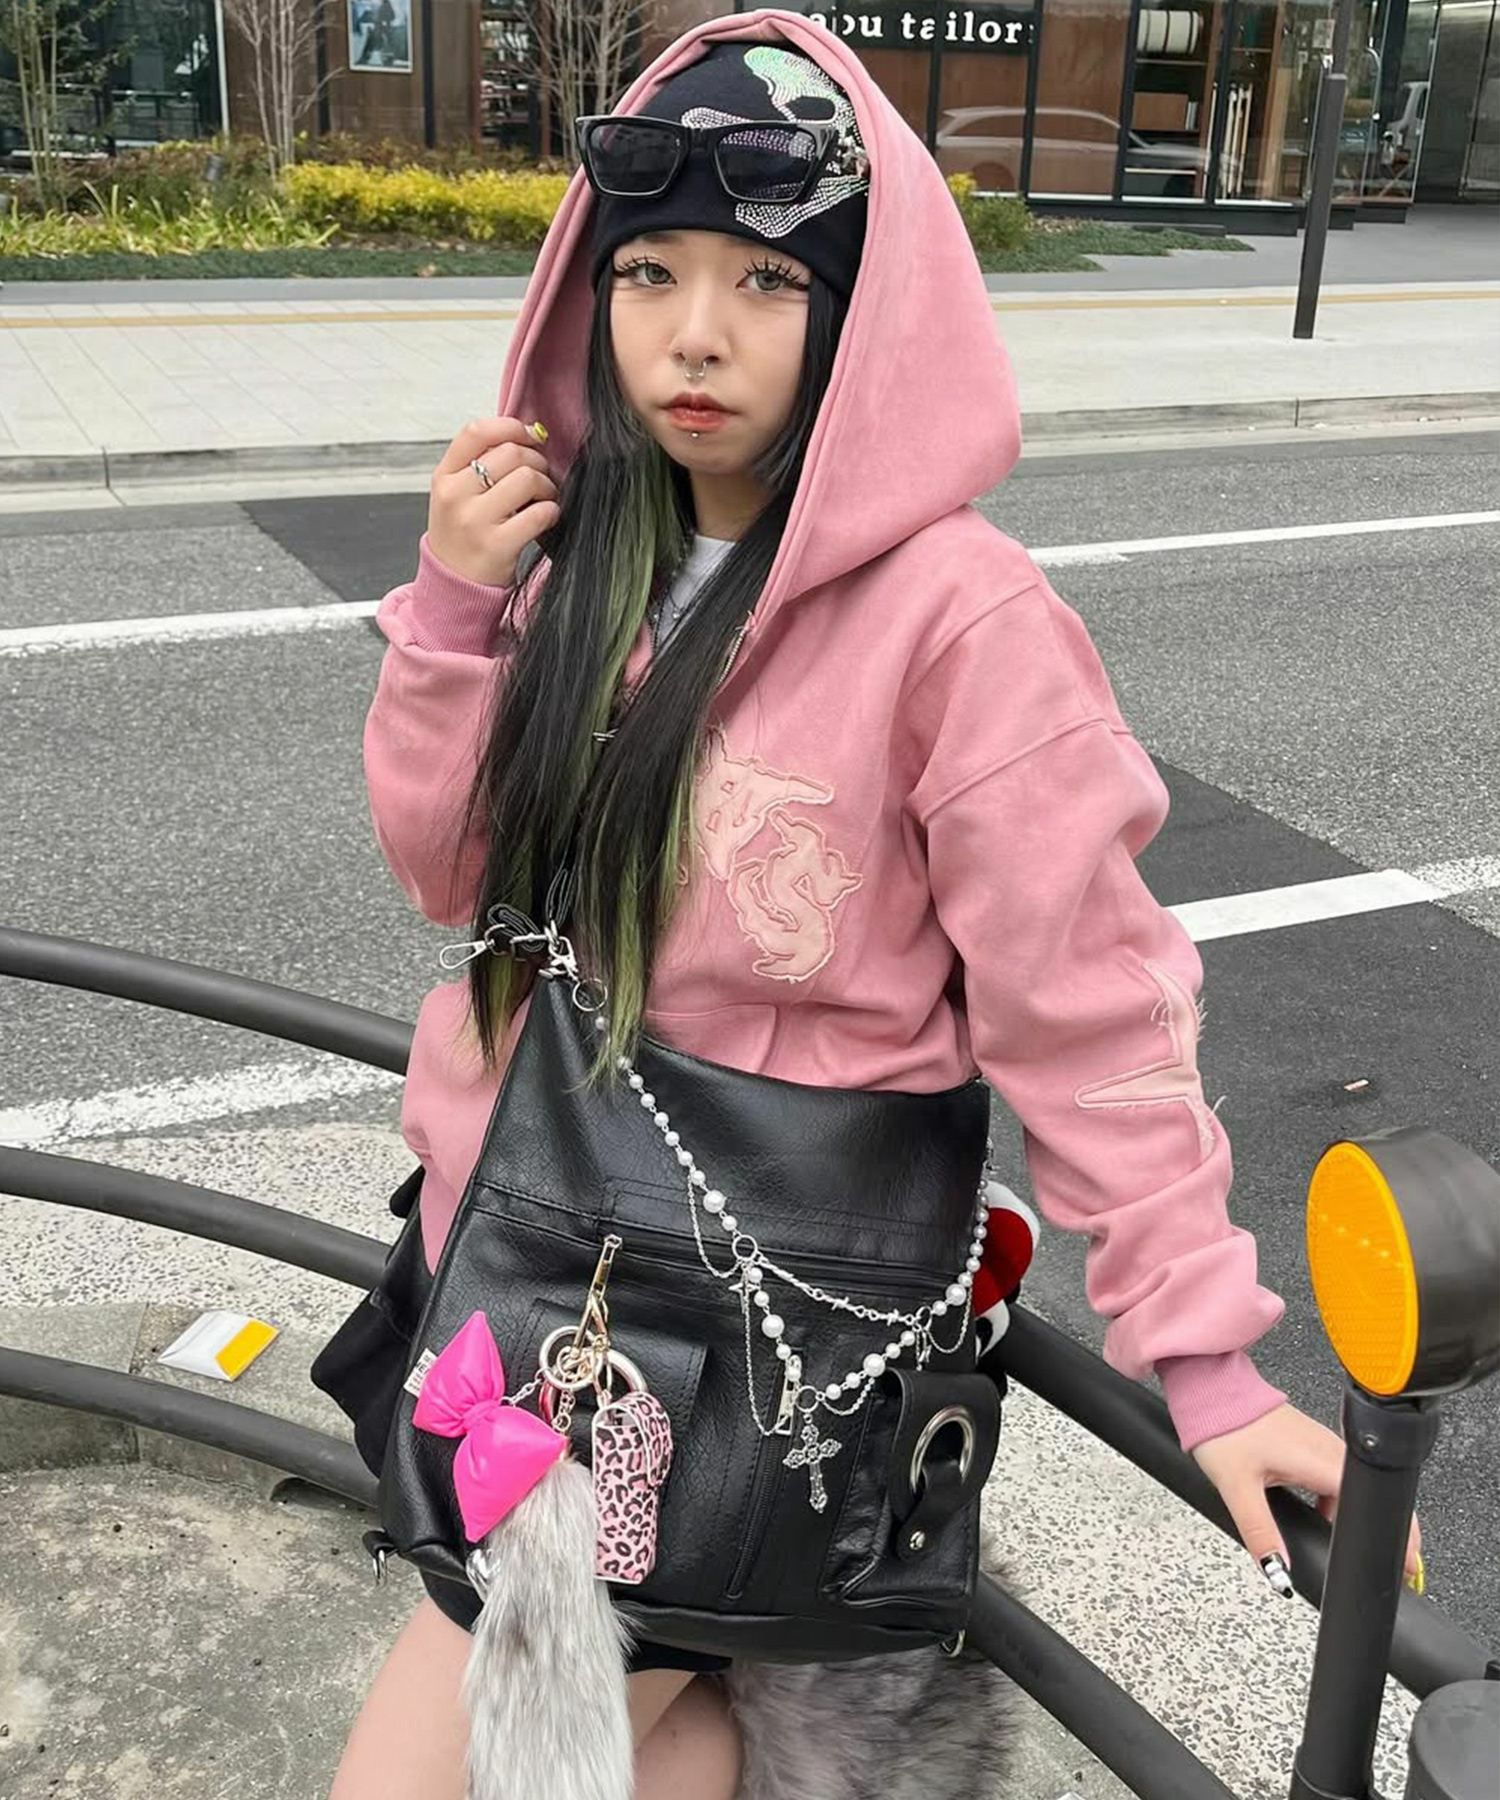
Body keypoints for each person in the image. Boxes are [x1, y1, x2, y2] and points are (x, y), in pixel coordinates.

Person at [328, 14, 1421, 1798]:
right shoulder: (576, 558)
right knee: (612, 1758)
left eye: (769, 280)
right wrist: (453, 612)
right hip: (534, 1295)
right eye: (650, 273)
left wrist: (1206, 1367)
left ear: (865, 314)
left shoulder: (962, 622)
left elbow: (1089, 1003)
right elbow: (449, 877)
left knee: (445, 1774)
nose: (694, 334)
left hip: (765, 1347)